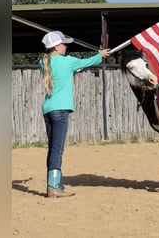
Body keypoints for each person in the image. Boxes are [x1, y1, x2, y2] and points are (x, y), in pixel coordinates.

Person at [39, 30, 110, 198]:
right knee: (58, 150)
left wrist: (75, 71)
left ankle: (55, 184)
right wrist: (100, 54)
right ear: (56, 46)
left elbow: (61, 72)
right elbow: (88, 61)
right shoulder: (68, 61)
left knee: (53, 149)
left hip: (48, 109)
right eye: (63, 44)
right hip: (61, 110)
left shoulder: (44, 62)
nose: (65, 46)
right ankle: (53, 187)